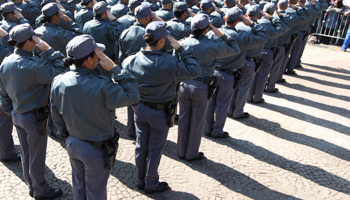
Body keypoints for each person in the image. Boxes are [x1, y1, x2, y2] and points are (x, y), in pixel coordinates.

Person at [50, 34, 139, 200]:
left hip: (73, 142)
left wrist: (65, 136)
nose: (99, 59)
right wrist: (114, 68)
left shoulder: (58, 80)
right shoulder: (101, 85)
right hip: (95, 148)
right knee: (96, 193)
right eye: (97, 56)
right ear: (89, 60)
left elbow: (55, 113)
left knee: (79, 188)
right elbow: (133, 95)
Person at [122, 21, 201, 193]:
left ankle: (140, 180)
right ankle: (151, 184)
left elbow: (124, 84)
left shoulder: (130, 60)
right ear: (163, 40)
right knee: (154, 150)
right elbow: (195, 70)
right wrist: (180, 48)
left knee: (140, 146)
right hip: (160, 112)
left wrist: (134, 101)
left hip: (139, 108)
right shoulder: (170, 62)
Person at [0, 24, 65, 199]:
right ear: (28, 42)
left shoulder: (6, 61)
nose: (37, 42)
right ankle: (41, 190)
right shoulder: (34, 65)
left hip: (17, 114)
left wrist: (10, 111)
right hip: (34, 117)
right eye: (34, 40)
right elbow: (60, 70)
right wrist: (49, 50)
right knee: (36, 156)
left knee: (27, 153)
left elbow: (3, 92)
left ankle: (31, 184)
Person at [178, 14, 240, 160]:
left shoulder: (183, 43)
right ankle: (191, 154)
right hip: (201, 86)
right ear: (206, 29)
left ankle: (181, 151)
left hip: (184, 84)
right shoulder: (213, 45)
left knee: (183, 119)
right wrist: (220, 33)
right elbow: (235, 48)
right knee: (197, 122)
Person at [206, 7, 267, 138]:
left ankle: (207, 128)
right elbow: (262, 37)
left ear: (224, 19)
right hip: (228, 75)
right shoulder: (242, 36)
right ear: (238, 20)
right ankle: (217, 130)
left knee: (211, 102)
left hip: (212, 72)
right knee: (222, 104)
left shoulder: (213, 33)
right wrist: (250, 23)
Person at [247, 3, 285, 104]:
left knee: (253, 75)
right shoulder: (272, 24)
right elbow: (282, 29)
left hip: (256, 52)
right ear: (273, 13)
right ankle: (257, 98)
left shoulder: (257, 23)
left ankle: (249, 97)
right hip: (268, 52)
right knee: (263, 76)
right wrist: (274, 19)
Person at [0, 27, 19, 163]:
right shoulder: (3, 51)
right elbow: (15, 51)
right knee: (4, 124)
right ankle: (6, 153)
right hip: (2, 89)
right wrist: (6, 36)